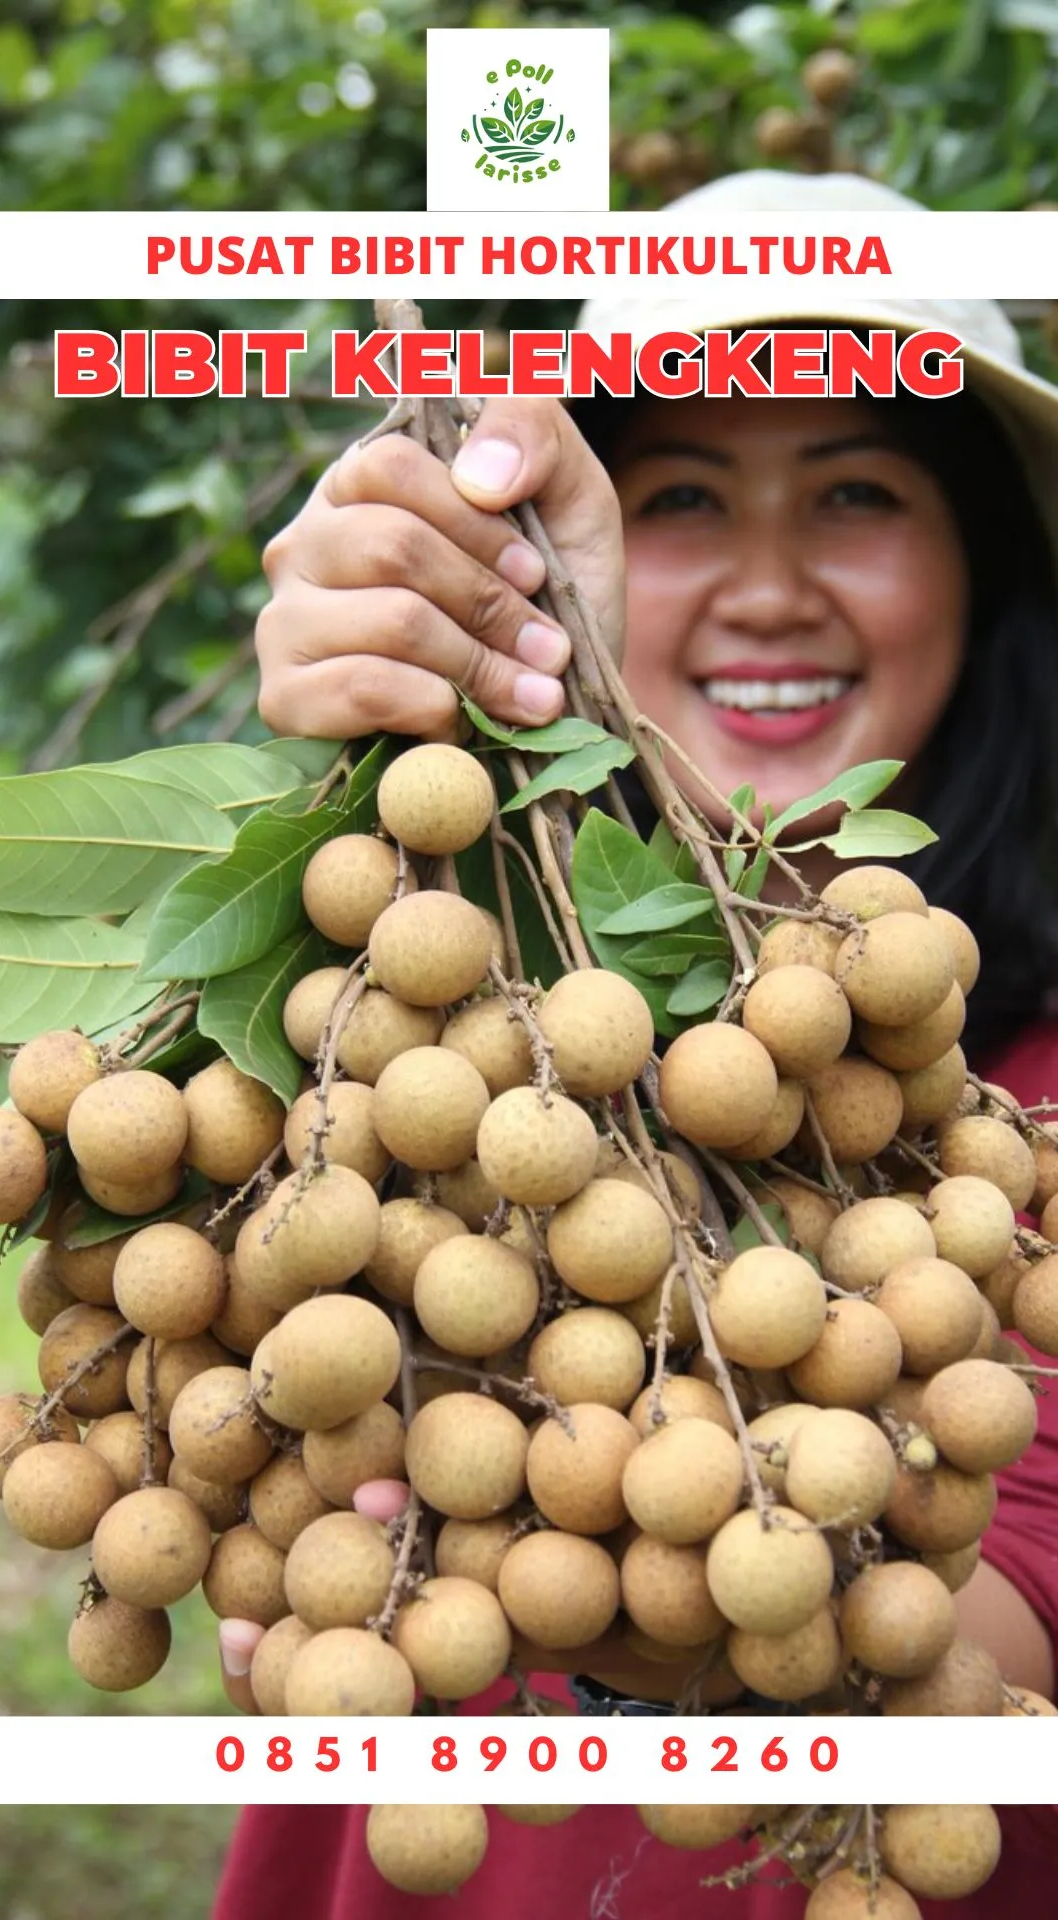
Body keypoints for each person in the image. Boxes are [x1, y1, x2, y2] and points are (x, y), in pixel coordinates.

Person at [211, 172, 1058, 1920]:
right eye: (678, 492)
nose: (764, 583)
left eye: (856, 488)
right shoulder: (398, 1035)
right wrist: (454, 693)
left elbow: (980, 1604)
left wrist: (647, 1602)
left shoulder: (995, 1138)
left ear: (984, 557)